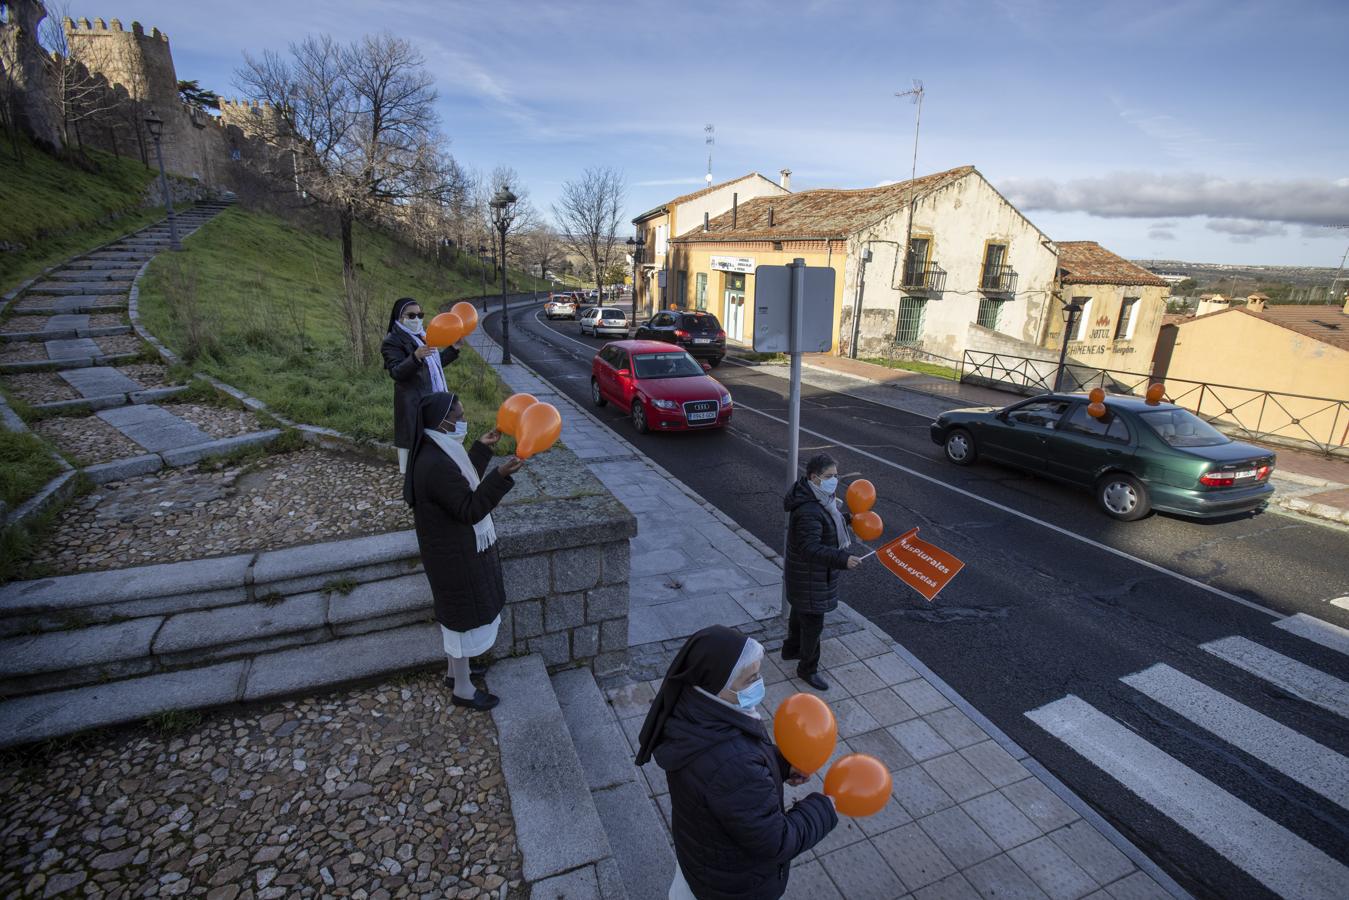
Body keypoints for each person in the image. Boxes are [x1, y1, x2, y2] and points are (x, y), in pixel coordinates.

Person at [636, 625, 837, 900]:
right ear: (716, 684)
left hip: (702, 863)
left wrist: (779, 764)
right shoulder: (733, 762)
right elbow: (777, 841)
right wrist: (824, 808)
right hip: (734, 886)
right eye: (749, 679)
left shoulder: (691, 711)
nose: (759, 684)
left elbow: (724, 780)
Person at [403, 391, 522, 711]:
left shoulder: (435, 448)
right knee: (460, 623)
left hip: (449, 549)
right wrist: (499, 475)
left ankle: (456, 674)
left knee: (457, 618)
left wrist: (482, 448)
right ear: (440, 421)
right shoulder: (435, 462)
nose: (463, 422)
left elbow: (460, 481)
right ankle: (464, 690)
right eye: (458, 417)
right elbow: (469, 507)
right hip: (452, 554)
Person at [781, 453, 862, 691]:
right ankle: (808, 669)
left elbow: (826, 523)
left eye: (836, 475)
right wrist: (843, 559)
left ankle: (791, 650)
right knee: (813, 624)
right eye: (830, 476)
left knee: (799, 612)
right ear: (815, 478)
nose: (835, 480)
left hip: (803, 576)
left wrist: (846, 519)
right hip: (810, 576)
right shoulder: (809, 510)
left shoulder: (817, 498)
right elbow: (810, 547)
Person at [382, 297, 461, 474]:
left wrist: (453, 349)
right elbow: (396, 372)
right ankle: (416, 485)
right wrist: (415, 357)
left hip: (432, 399)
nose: (417, 319)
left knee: (434, 446)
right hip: (414, 404)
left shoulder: (423, 336)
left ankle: (433, 478)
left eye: (420, 315)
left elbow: (434, 365)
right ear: (399, 317)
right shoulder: (392, 341)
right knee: (417, 450)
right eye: (411, 315)